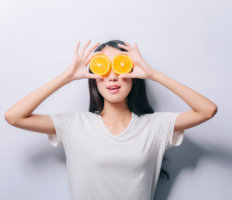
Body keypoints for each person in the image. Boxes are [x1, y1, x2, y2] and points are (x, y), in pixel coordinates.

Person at [4, 39, 218, 200]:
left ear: (133, 77)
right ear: (94, 77)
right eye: (104, 67)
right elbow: (14, 117)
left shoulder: (154, 127)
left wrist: (153, 74)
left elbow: (207, 110)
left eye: (121, 66)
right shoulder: (75, 125)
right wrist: (67, 76)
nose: (113, 76)